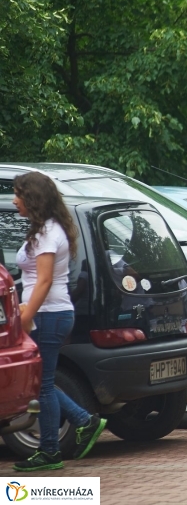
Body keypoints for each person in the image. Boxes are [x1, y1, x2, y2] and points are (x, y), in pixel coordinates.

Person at [12, 172, 106, 472]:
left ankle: (51, 450)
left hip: (47, 315)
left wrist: (25, 318)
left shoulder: (46, 234)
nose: (15, 200)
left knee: (41, 385)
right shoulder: (48, 229)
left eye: (19, 194)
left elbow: (44, 281)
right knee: (43, 383)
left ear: (33, 198)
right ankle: (84, 422)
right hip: (51, 313)